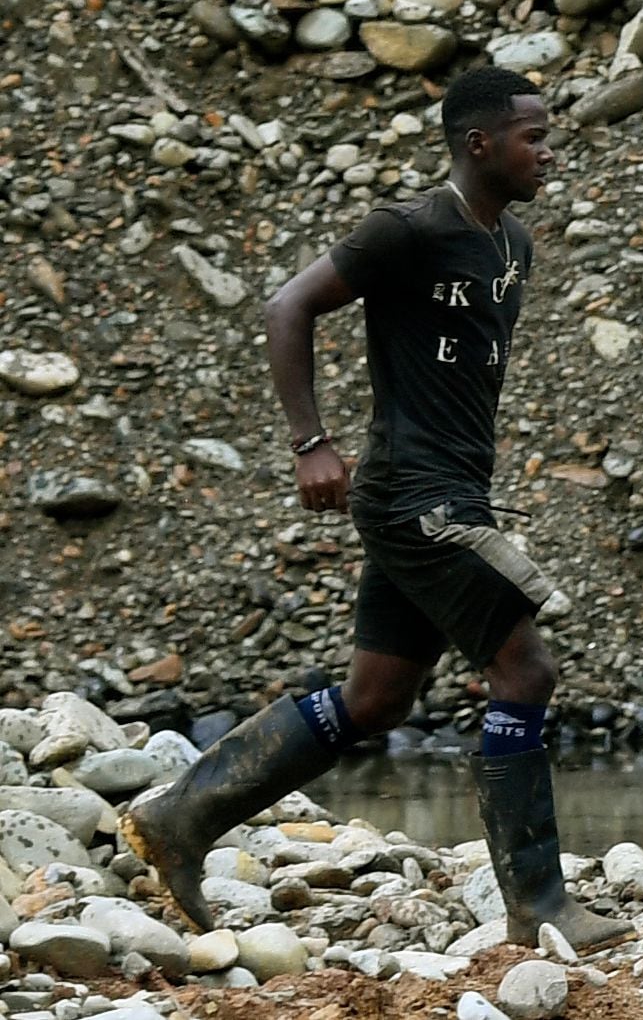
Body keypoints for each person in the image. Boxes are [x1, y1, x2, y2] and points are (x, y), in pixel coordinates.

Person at [130, 60, 599, 941]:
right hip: (415, 497)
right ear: (478, 142)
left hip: (452, 490)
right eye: (533, 137)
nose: (547, 152)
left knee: (379, 696)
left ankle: (178, 818)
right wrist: (312, 440)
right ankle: (539, 906)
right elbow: (288, 306)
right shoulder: (407, 229)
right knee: (526, 671)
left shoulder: (513, 244)